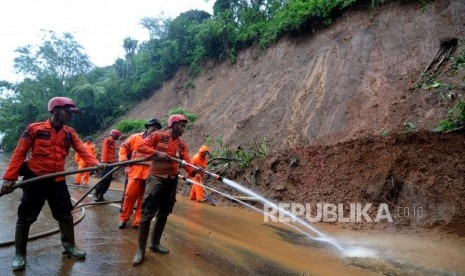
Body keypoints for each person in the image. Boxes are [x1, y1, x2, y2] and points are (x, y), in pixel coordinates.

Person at [0, 97, 102, 271]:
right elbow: (19, 153)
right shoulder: (35, 129)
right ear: (55, 110)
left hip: (58, 180)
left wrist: (95, 163)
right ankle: (20, 255)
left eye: (71, 112)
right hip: (36, 179)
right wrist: (9, 177)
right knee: (25, 217)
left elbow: (82, 150)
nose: (69, 115)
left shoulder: (69, 133)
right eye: (67, 111)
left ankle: (69, 246)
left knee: (65, 214)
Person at [131, 114, 196, 266]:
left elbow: (186, 161)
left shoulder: (181, 144)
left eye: (184, 126)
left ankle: (154, 243)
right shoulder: (158, 136)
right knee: (147, 214)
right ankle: (140, 250)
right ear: (173, 124)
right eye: (181, 126)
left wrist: (194, 171)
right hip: (157, 178)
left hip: (172, 180)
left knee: (164, 213)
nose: (183, 129)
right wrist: (157, 153)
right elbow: (140, 146)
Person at [118, 118, 162, 229]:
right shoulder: (135, 137)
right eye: (153, 127)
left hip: (150, 173)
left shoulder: (159, 141)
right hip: (135, 172)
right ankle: (124, 218)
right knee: (129, 195)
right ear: (148, 127)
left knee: (144, 199)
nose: (155, 129)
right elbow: (123, 147)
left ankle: (138, 221)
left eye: (157, 128)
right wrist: (124, 163)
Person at [93, 129, 121, 201]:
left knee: (108, 180)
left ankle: (101, 195)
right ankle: (96, 193)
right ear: (115, 135)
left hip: (111, 163)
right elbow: (104, 151)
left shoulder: (113, 142)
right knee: (105, 179)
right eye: (117, 136)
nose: (118, 138)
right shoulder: (108, 140)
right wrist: (103, 161)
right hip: (107, 163)